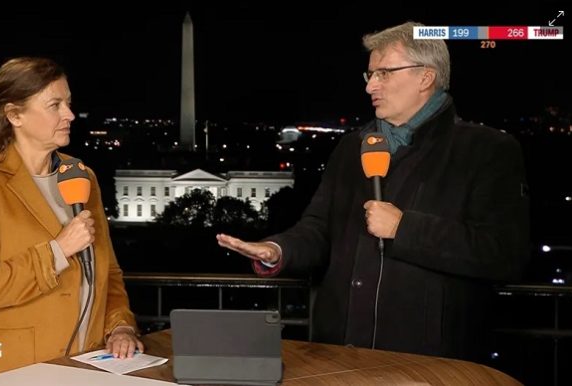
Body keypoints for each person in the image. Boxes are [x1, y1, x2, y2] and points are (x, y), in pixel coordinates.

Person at [217, 22, 529, 361]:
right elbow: (318, 229)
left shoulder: (487, 150)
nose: (371, 87)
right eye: (370, 75)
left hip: (429, 364)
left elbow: (504, 254)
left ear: (425, 77)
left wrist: (403, 228)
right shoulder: (352, 147)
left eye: (384, 73)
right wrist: (277, 250)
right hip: (337, 354)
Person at [0, 57, 141, 385]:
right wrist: (57, 251)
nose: (69, 114)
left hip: (84, 369)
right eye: (55, 105)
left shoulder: (82, 177)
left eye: (68, 103)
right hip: (5, 371)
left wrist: (119, 325)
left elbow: (109, 275)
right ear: (14, 114)